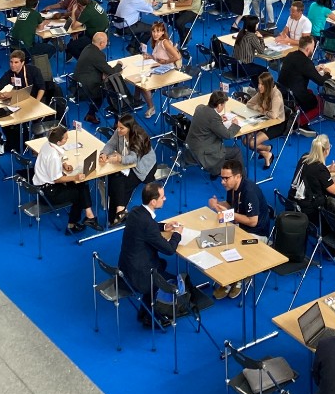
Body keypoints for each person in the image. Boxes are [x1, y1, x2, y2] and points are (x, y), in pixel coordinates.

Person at [117, 182, 194, 327]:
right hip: (140, 275)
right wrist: (177, 233)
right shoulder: (148, 224)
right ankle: (152, 315)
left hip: (126, 268)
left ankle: (145, 312)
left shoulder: (135, 212)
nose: (165, 199)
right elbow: (170, 250)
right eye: (162, 197)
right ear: (153, 201)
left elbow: (149, 226)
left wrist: (164, 226)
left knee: (162, 264)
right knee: (176, 280)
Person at [288, 134, 335, 256]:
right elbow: (334, 190)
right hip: (309, 209)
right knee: (332, 208)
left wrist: (329, 170)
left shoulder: (304, 158)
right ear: (327, 150)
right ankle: (334, 252)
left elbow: (312, 174)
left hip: (293, 202)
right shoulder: (319, 168)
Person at [31, 125, 100, 234]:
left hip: (43, 183)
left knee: (81, 184)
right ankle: (71, 226)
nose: (67, 139)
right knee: (78, 194)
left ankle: (89, 215)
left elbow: (55, 160)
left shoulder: (48, 145)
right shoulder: (53, 156)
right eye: (65, 138)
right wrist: (75, 177)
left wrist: (64, 164)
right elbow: (57, 179)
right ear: (58, 142)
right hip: (48, 192)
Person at [99, 114, 157, 226]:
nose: (118, 130)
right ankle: (119, 212)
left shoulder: (139, 137)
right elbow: (111, 144)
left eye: (122, 128)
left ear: (130, 128)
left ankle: (117, 215)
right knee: (113, 179)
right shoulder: (118, 132)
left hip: (142, 168)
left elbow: (133, 158)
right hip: (126, 166)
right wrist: (103, 153)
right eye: (118, 127)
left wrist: (119, 158)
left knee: (121, 184)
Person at [208, 156, 270, 259]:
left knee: (228, 251)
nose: (222, 182)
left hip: (256, 234)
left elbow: (253, 221)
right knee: (214, 237)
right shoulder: (231, 187)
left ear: (237, 177)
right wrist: (217, 204)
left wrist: (229, 214)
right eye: (222, 178)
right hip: (240, 227)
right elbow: (230, 204)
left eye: (226, 178)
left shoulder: (249, 192)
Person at [278, 34, 329, 132]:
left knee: (309, 91)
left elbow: (300, 71)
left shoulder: (290, 55)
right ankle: (299, 122)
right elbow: (321, 81)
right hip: (296, 96)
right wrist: (327, 73)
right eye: (313, 47)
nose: (314, 49)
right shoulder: (306, 62)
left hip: (284, 92)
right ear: (308, 48)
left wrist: (313, 69)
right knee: (320, 103)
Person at [75, 31, 115, 123]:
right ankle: (114, 113)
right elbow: (111, 71)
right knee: (108, 88)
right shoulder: (98, 55)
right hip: (87, 85)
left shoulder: (88, 48)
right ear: (101, 43)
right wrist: (119, 66)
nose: (107, 43)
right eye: (106, 41)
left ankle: (91, 114)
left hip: (79, 81)